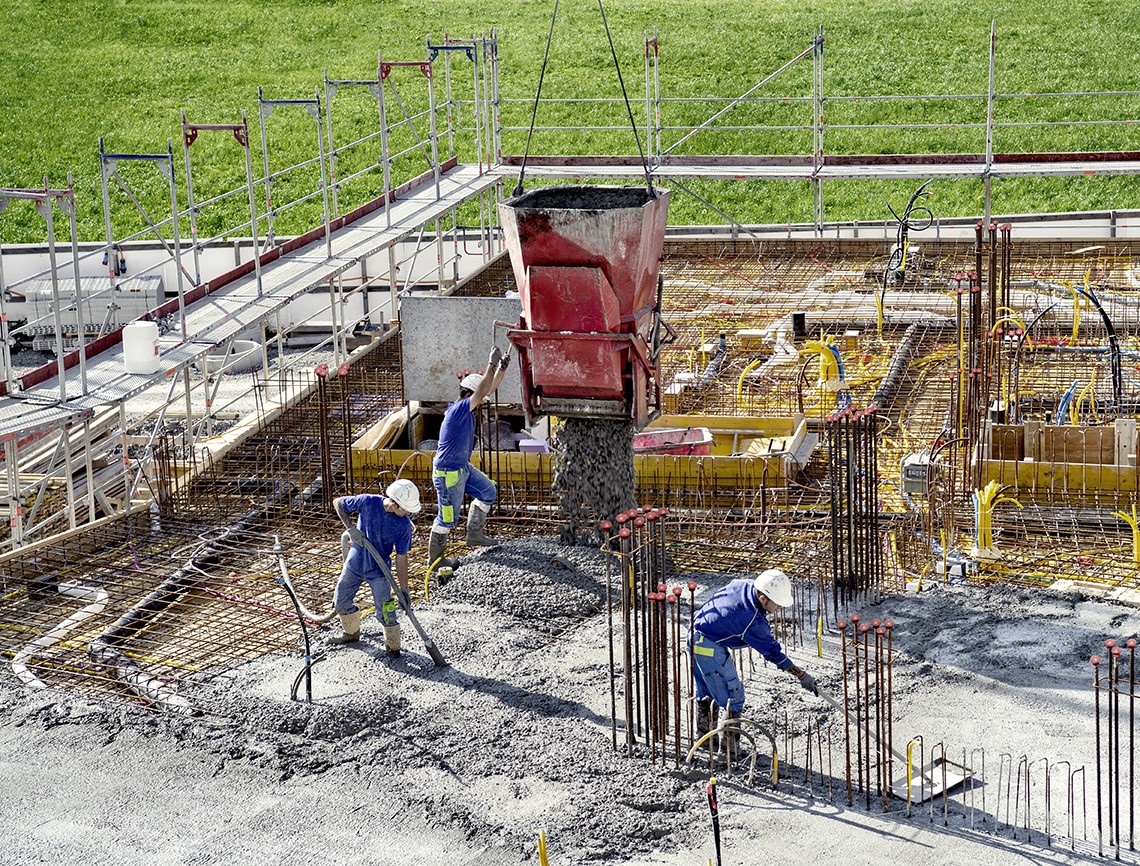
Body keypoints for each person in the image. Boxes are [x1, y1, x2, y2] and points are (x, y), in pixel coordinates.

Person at [689, 569, 818, 743]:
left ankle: (705, 740)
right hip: (708, 647)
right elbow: (773, 653)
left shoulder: (745, 584)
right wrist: (801, 675)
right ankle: (729, 750)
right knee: (733, 697)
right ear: (763, 598)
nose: (779, 608)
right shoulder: (751, 620)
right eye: (777, 604)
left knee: (706, 691)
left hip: (695, 633)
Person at [427, 345, 510, 581]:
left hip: (462, 467)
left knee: (487, 491)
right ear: (467, 394)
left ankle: (474, 534)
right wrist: (491, 364)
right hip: (448, 473)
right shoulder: (459, 410)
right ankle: (436, 561)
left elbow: (488, 389)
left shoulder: (466, 409)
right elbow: (483, 391)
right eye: (477, 397)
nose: (482, 402)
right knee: (447, 518)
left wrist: (501, 369)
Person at [329, 478, 422, 655]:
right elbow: (337, 503)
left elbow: (401, 558)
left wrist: (404, 589)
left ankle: (393, 647)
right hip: (355, 564)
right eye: (407, 510)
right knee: (340, 601)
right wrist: (350, 529)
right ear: (394, 505)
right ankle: (351, 633)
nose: (409, 515)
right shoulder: (368, 502)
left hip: (380, 571)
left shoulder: (404, 526)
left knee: (387, 611)